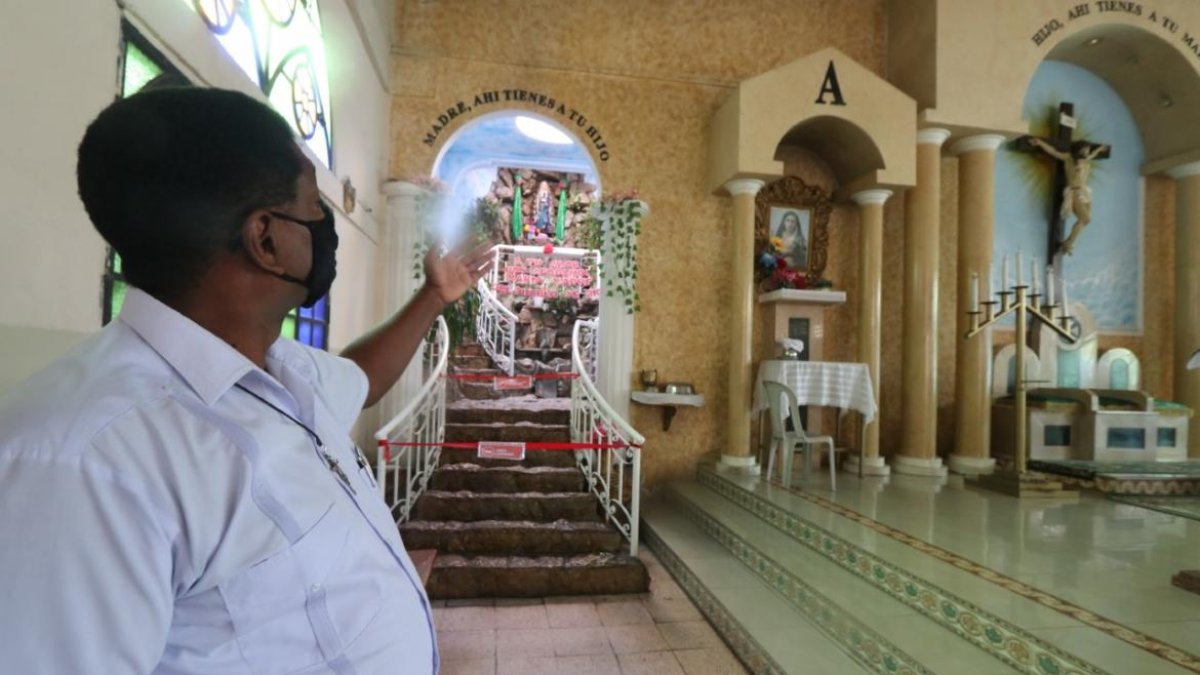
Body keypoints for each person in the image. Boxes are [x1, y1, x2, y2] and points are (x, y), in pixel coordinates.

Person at [0, 87, 491, 674]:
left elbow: (360, 377)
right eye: (314, 204)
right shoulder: (85, 460)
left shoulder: (282, 370)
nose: (326, 224)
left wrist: (433, 297)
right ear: (266, 239)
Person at [1028, 137, 1108, 255]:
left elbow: (1092, 154)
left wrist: (1100, 149)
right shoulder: (1068, 158)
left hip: (1085, 193)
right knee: (1086, 218)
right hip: (1075, 192)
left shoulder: (1086, 159)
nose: (1087, 151)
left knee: (1086, 221)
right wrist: (1040, 143)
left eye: (1088, 150)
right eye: (1085, 149)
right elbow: (1053, 151)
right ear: (1079, 149)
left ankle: (1068, 243)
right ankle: (1068, 243)